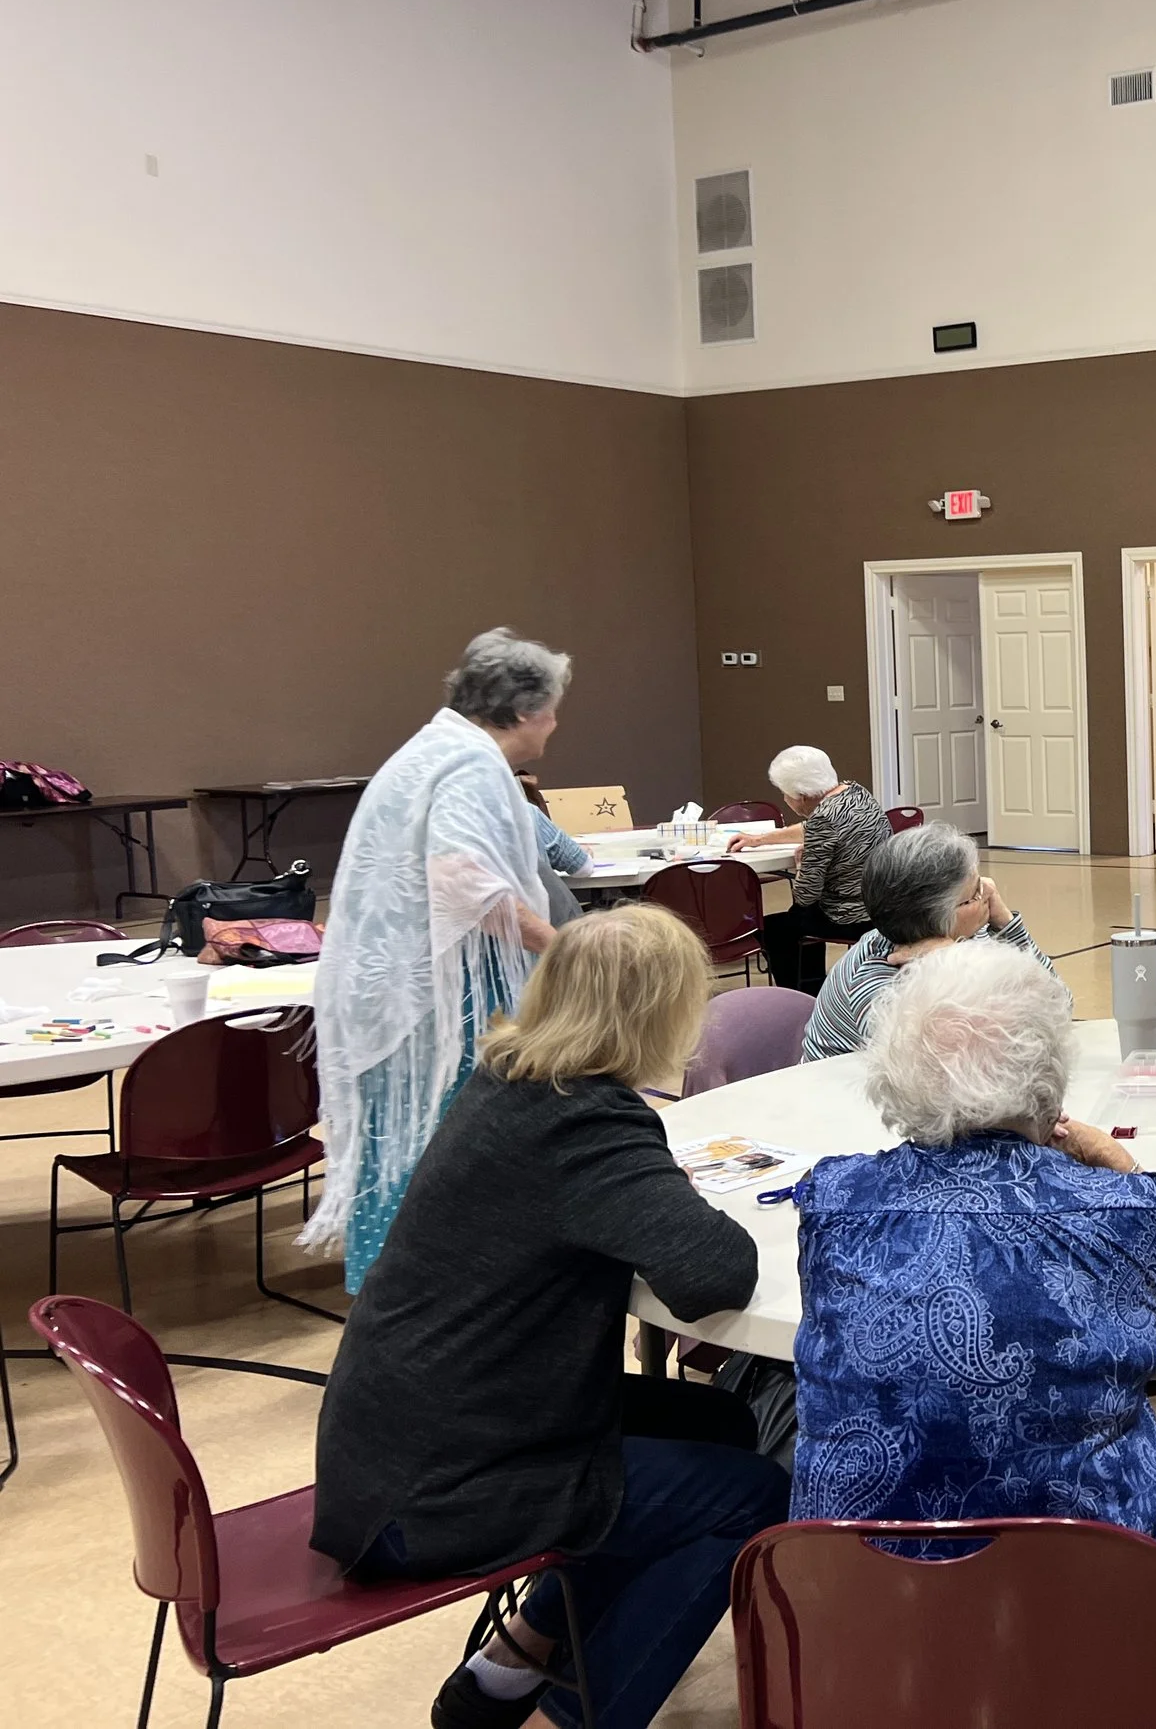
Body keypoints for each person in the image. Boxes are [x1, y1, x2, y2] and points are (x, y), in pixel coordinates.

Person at [790, 941, 1156, 1729]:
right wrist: (1129, 1176)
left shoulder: (830, 1201)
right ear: (1045, 1077)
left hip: (868, 1640)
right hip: (1095, 1640)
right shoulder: (1115, 1212)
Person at [311, 905, 788, 1729]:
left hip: (404, 1442)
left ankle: (517, 1656)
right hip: (441, 1491)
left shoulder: (514, 1080)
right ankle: (565, 1719)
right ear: (659, 1012)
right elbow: (712, 1274)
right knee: (752, 1499)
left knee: (718, 1421)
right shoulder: (585, 1120)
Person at [308, 628, 569, 1293]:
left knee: (403, 1148)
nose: (556, 723)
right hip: (438, 1001)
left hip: (401, 992)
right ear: (520, 710)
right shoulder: (471, 764)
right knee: (445, 1148)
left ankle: (393, 1294)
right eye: (551, 708)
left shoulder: (431, 751)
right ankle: (429, 1292)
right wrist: (562, 943)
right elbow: (461, 878)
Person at [799, 821, 1054, 1059]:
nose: (988, 890)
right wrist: (953, 962)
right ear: (941, 918)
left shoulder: (967, 934)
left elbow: (1055, 1005)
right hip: (843, 1099)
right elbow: (944, 1070)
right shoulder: (877, 982)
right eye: (975, 891)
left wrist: (1006, 925)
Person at [730, 745, 888, 992]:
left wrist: (801, 866)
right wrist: (759, 839)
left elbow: (805, 896)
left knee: (775, 928)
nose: (784, 799)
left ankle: (804, 994)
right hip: (880, 904)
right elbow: (810, 828)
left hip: (851, 914)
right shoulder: (856, 793)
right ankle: (814, 982)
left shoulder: (822, 820)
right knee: (799, 919)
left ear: (802, 796)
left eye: (786, 794)